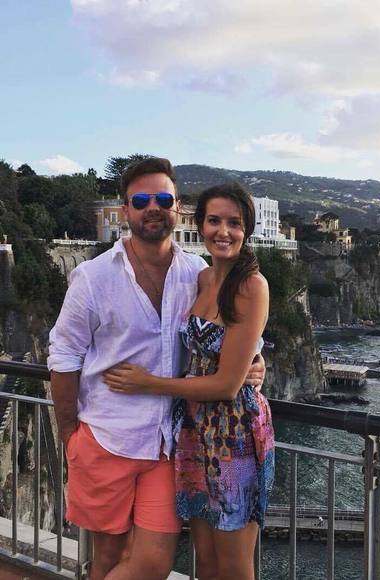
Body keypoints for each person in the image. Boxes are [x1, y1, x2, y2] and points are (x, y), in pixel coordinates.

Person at [48, 158, 265, 580]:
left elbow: (240, 336)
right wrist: (69, 434)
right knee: (107, 558)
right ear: (125, 210)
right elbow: (64, 355)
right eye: (141, 200)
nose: (153, 207)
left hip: (168, 444)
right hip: (105, 438)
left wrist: (258, 363)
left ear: (177, 208)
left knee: (154, 563)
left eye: (163, 199)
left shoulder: (197, 274)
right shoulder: (93, 277)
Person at [103, 182, 275, 580]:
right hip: (195, 431)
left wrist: (149, 383)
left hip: (234, 433)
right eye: (214, 220)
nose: (223, 231)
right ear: (200, 225)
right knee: (207, 562)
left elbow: (226, 386)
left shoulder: (252, 286)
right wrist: (256, 356)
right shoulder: (202, 277)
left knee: (234, 567)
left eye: (234, 223)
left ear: (247, 229)